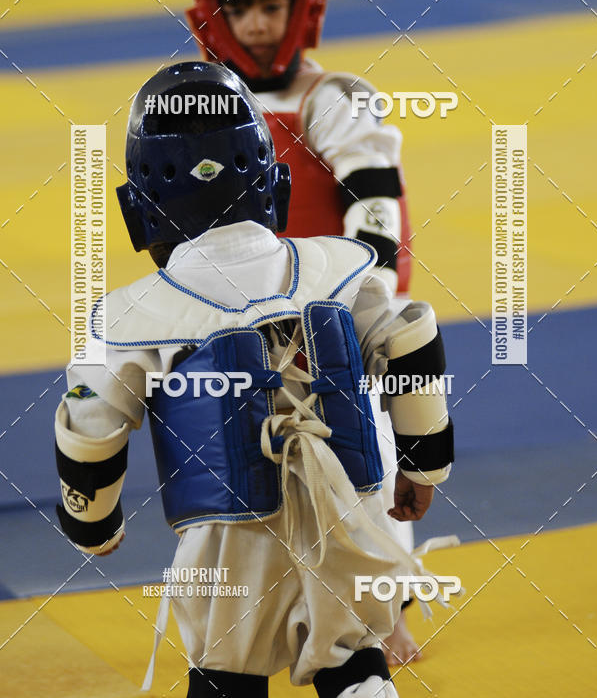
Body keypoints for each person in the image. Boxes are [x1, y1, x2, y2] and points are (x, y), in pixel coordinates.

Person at [55, 62, 455, 697]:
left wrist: (93, 525)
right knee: (354, 659)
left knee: (226, 672)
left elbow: (89, 428)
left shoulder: (132, 318)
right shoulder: (339, 269)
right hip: (347, 519)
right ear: (274, 181)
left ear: (139, 209)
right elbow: (410, 340)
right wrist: (422, 464)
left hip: (227, 549)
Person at [186, 0, 419, 663]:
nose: (258, 22)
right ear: (212, 13)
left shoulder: (333, 95)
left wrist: (365, 293)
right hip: (242, 315)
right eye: (241, 6)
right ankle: (247, 613)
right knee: (240, 462)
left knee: (364, 456)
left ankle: (385, 610)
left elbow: (375, 194)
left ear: (302, 6)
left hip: (333, 310)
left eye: (272, 3)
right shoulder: (199, 105)